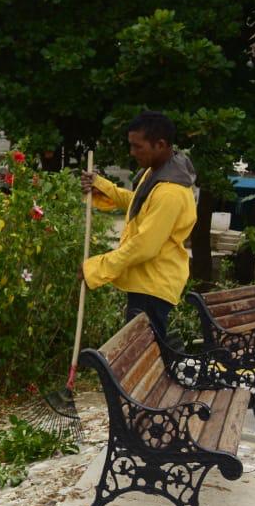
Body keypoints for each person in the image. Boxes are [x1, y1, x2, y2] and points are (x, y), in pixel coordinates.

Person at [80, 110, 197, 343]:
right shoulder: (156, 174)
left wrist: (96, 268)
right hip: (147, 282)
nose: (132, 152)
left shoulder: (170, 192)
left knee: (140, 354)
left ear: (160, 145)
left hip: (153, 286)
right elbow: (137, 204)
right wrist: (101, 187)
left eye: (138, 146)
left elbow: (144, 246)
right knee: (144, 355)